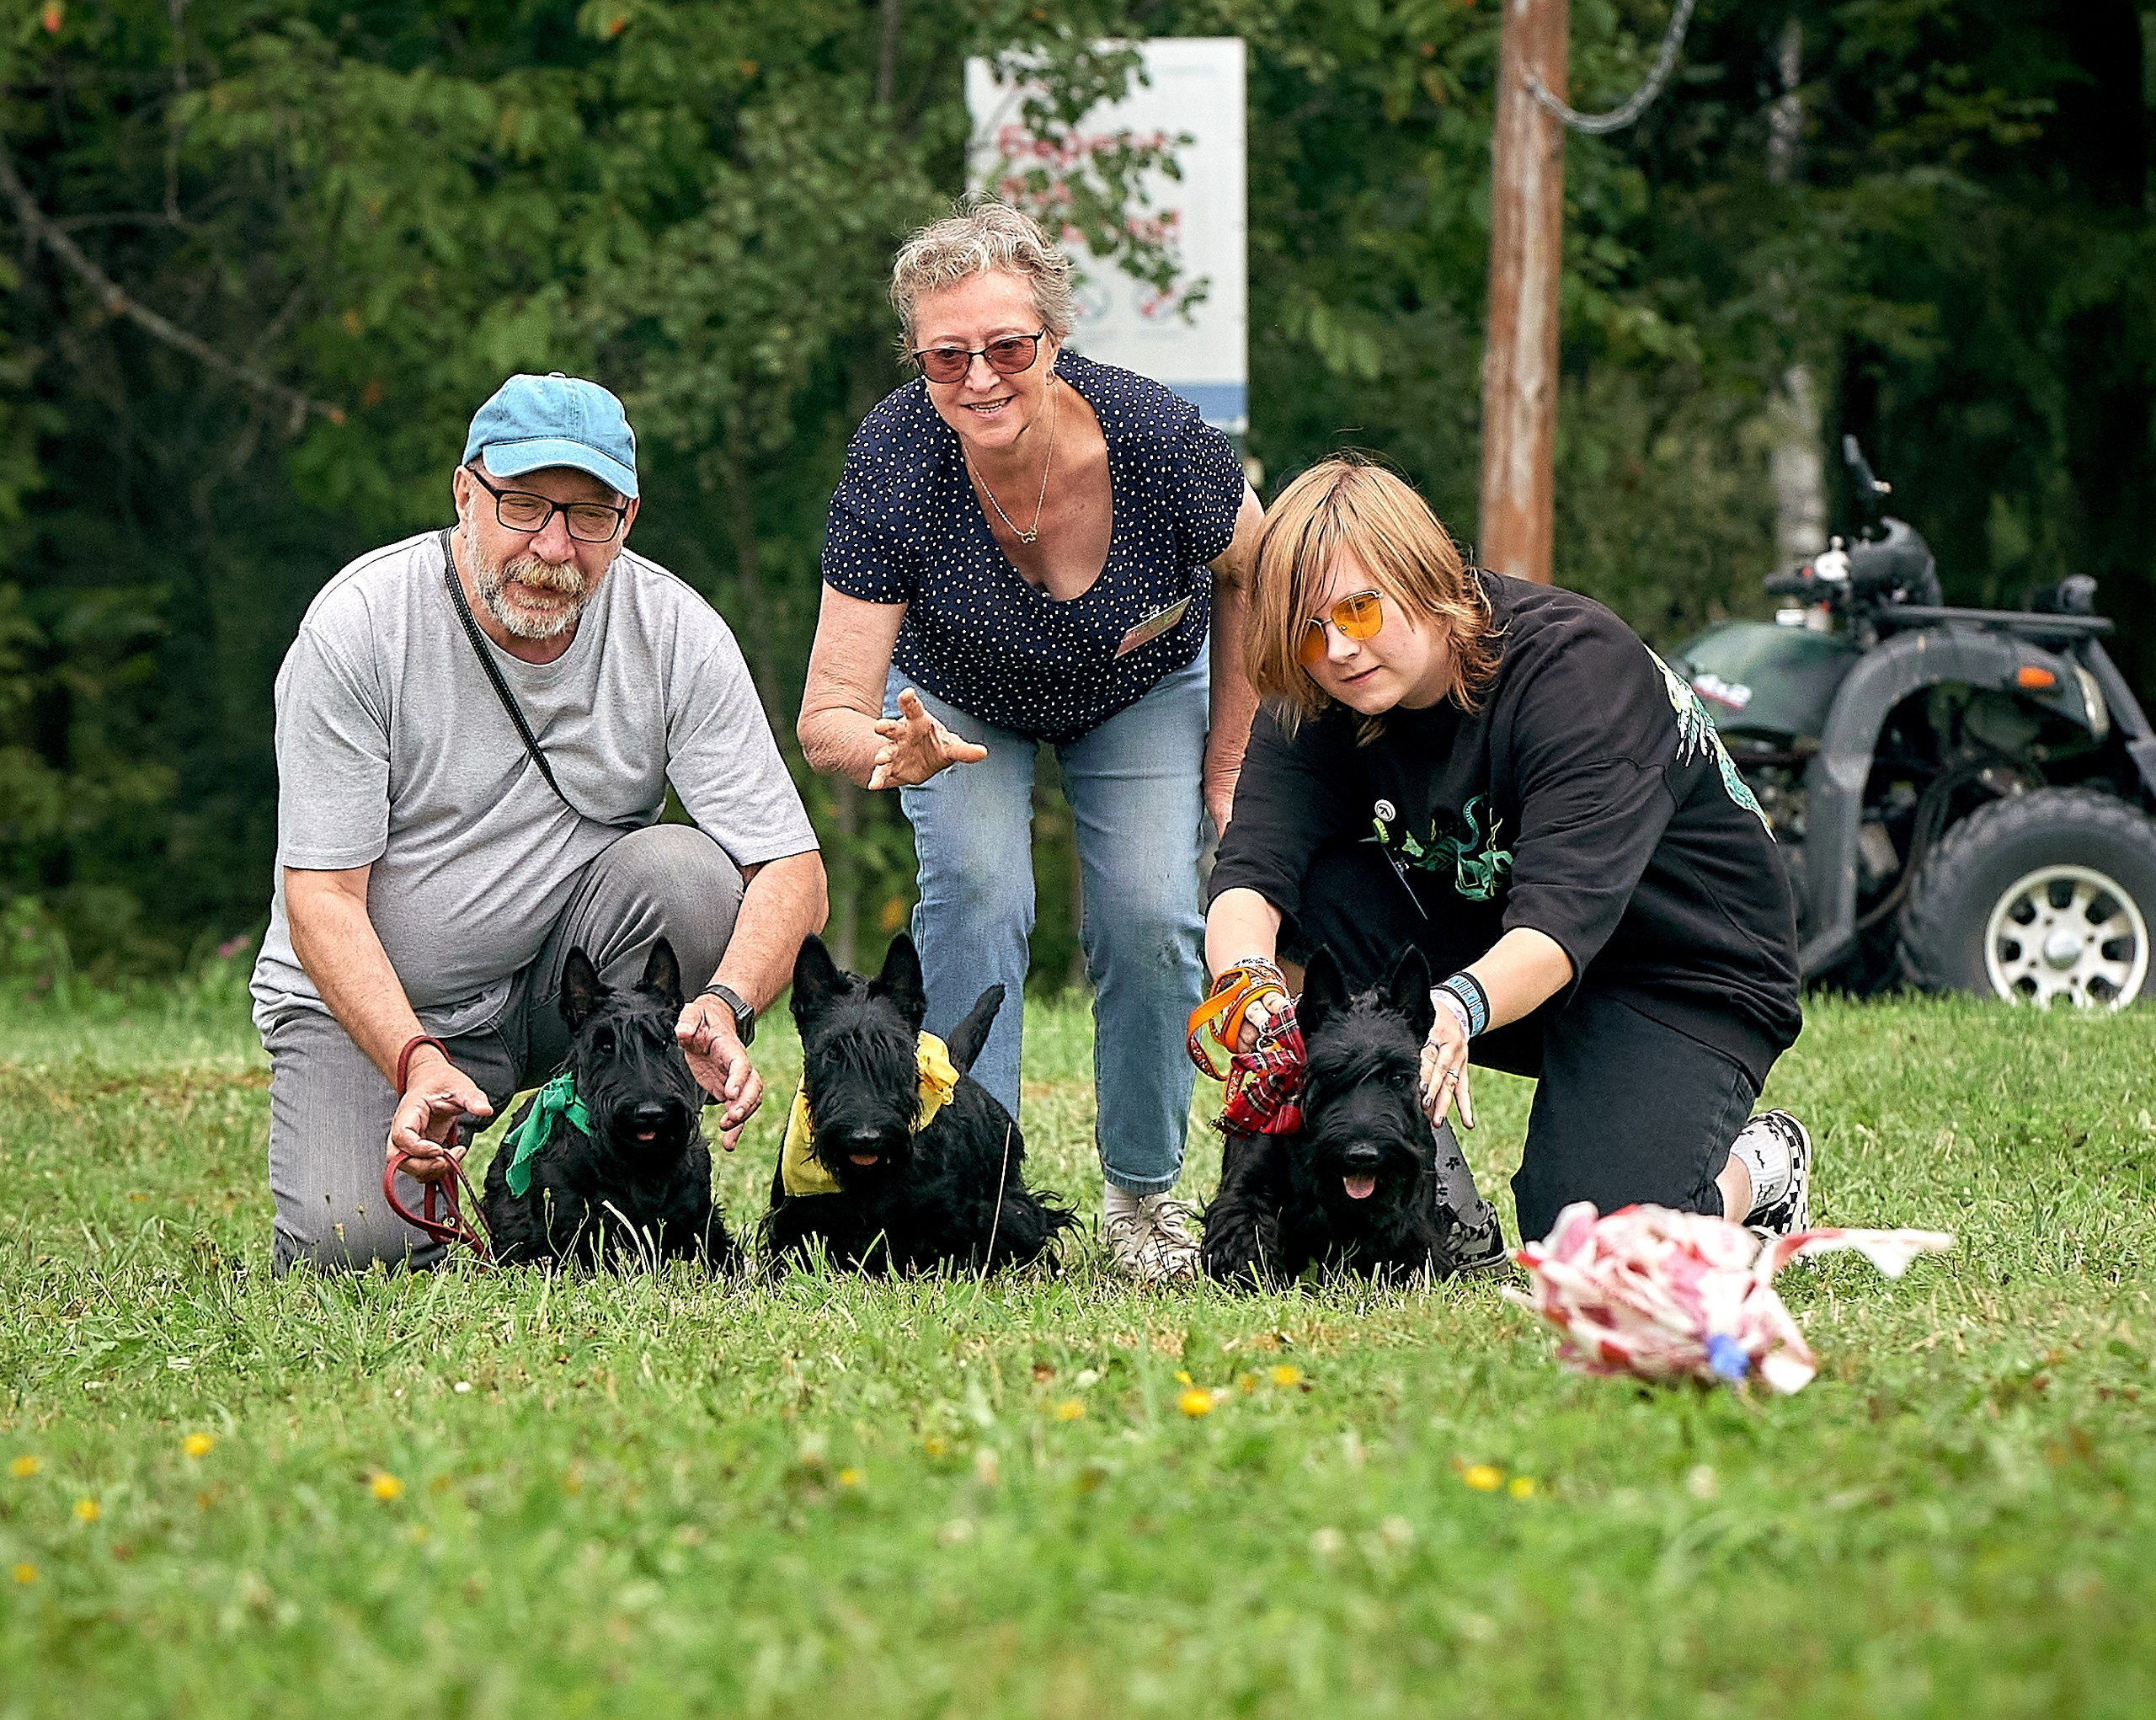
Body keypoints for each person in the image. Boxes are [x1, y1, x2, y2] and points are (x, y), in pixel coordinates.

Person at [251, 372, 827, 1273]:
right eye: (522, 505)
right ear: (464, 493)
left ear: (627, 520)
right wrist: (413, 1056)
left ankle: (628, 1166)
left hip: (569, 995)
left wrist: (725, 1001)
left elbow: (793, 871)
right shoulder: (359, 626)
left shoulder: (677, 628)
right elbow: (320, 898)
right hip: (385, 1010)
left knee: (691, 874)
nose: (553, 546)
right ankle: (430, 1125)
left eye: (590, 515)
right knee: (355, 1248)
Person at [798, 201, 1264, 1283]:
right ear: (917, 358)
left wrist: (1231, 763)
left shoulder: (1154, 437)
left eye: (1007, 347)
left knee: (1150, 911)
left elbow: (1254, 565)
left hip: (1141, 678)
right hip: (955, 701)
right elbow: (827, 711)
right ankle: (976, 1192)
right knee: (977, 888)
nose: (979, 378)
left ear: (1055, 340)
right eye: (946, 355)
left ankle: (1142, 1200)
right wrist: (888, 752)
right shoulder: (894, 458)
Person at [1203, 457, 1813, 1255]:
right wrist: (1246, 985)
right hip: (1494, 938)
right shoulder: (1320, 696)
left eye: (1357, 610)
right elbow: (1250, 874)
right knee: (1303, 898)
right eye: (1309, 633)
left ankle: (1761, 1172)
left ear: (1421, 574)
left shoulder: (1577, 672)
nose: (1338, 649)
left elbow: (1560, 925)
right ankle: (1436, 1201)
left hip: (1678, 968)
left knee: (1590, 1247)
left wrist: (1455, 1009)